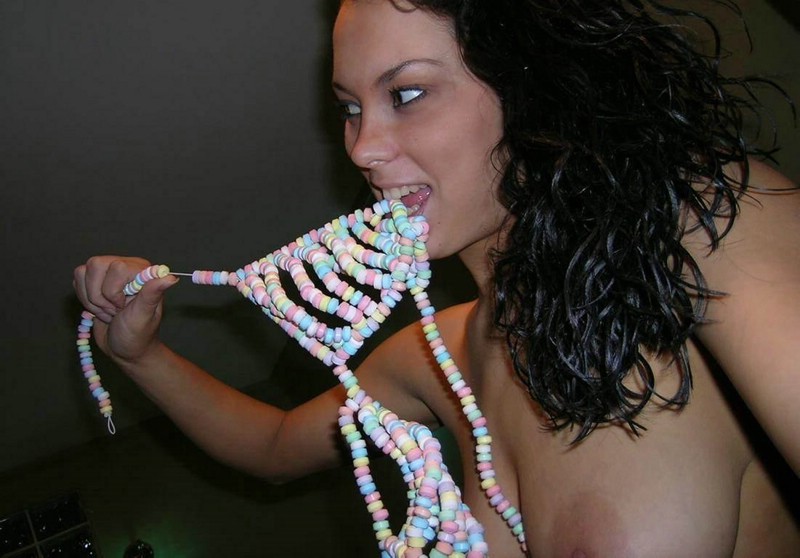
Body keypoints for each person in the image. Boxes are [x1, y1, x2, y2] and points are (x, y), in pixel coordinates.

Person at [74, 0, 799, 555]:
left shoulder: (698, 235)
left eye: (407, 93)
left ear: (531, 82)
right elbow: (272, 448)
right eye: (350, 109)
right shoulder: (441, 354)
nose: (362, 147)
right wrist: (137, 353)